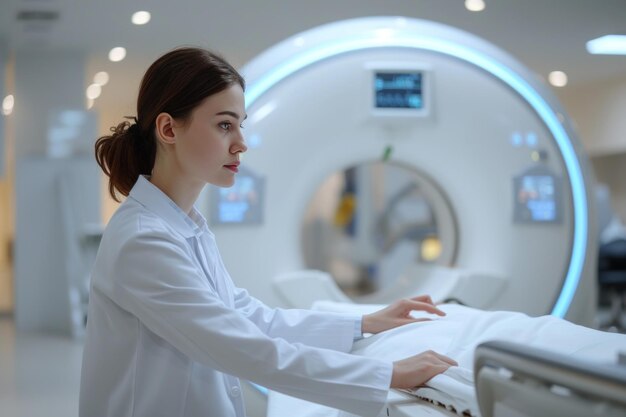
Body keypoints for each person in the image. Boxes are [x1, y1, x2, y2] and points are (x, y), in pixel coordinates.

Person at [79, 47, 457, 417]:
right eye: (224, 125)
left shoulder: (184, 226)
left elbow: (247, 317)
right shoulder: (144, 240)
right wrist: (388, 374)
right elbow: (241, 347)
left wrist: (364, 323)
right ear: (168, 129)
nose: (241, 144)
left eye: (239, 125)